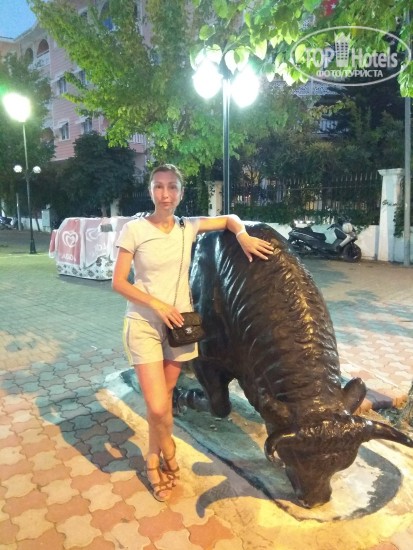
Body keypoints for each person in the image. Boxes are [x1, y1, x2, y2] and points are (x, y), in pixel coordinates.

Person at [112, 163, 273, 502]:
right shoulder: (134, 230)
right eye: (159, 186)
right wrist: (156, 305)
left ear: (181, 193)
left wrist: (242, 235)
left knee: (165, 400)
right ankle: (165, 454)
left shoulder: (188, 227)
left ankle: (153, 458)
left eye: (172, 187)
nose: (165, 194)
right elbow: (119, 282)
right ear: (150, 190)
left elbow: (230, 218)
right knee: (158, 407)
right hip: (144, 324)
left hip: (180, 328)